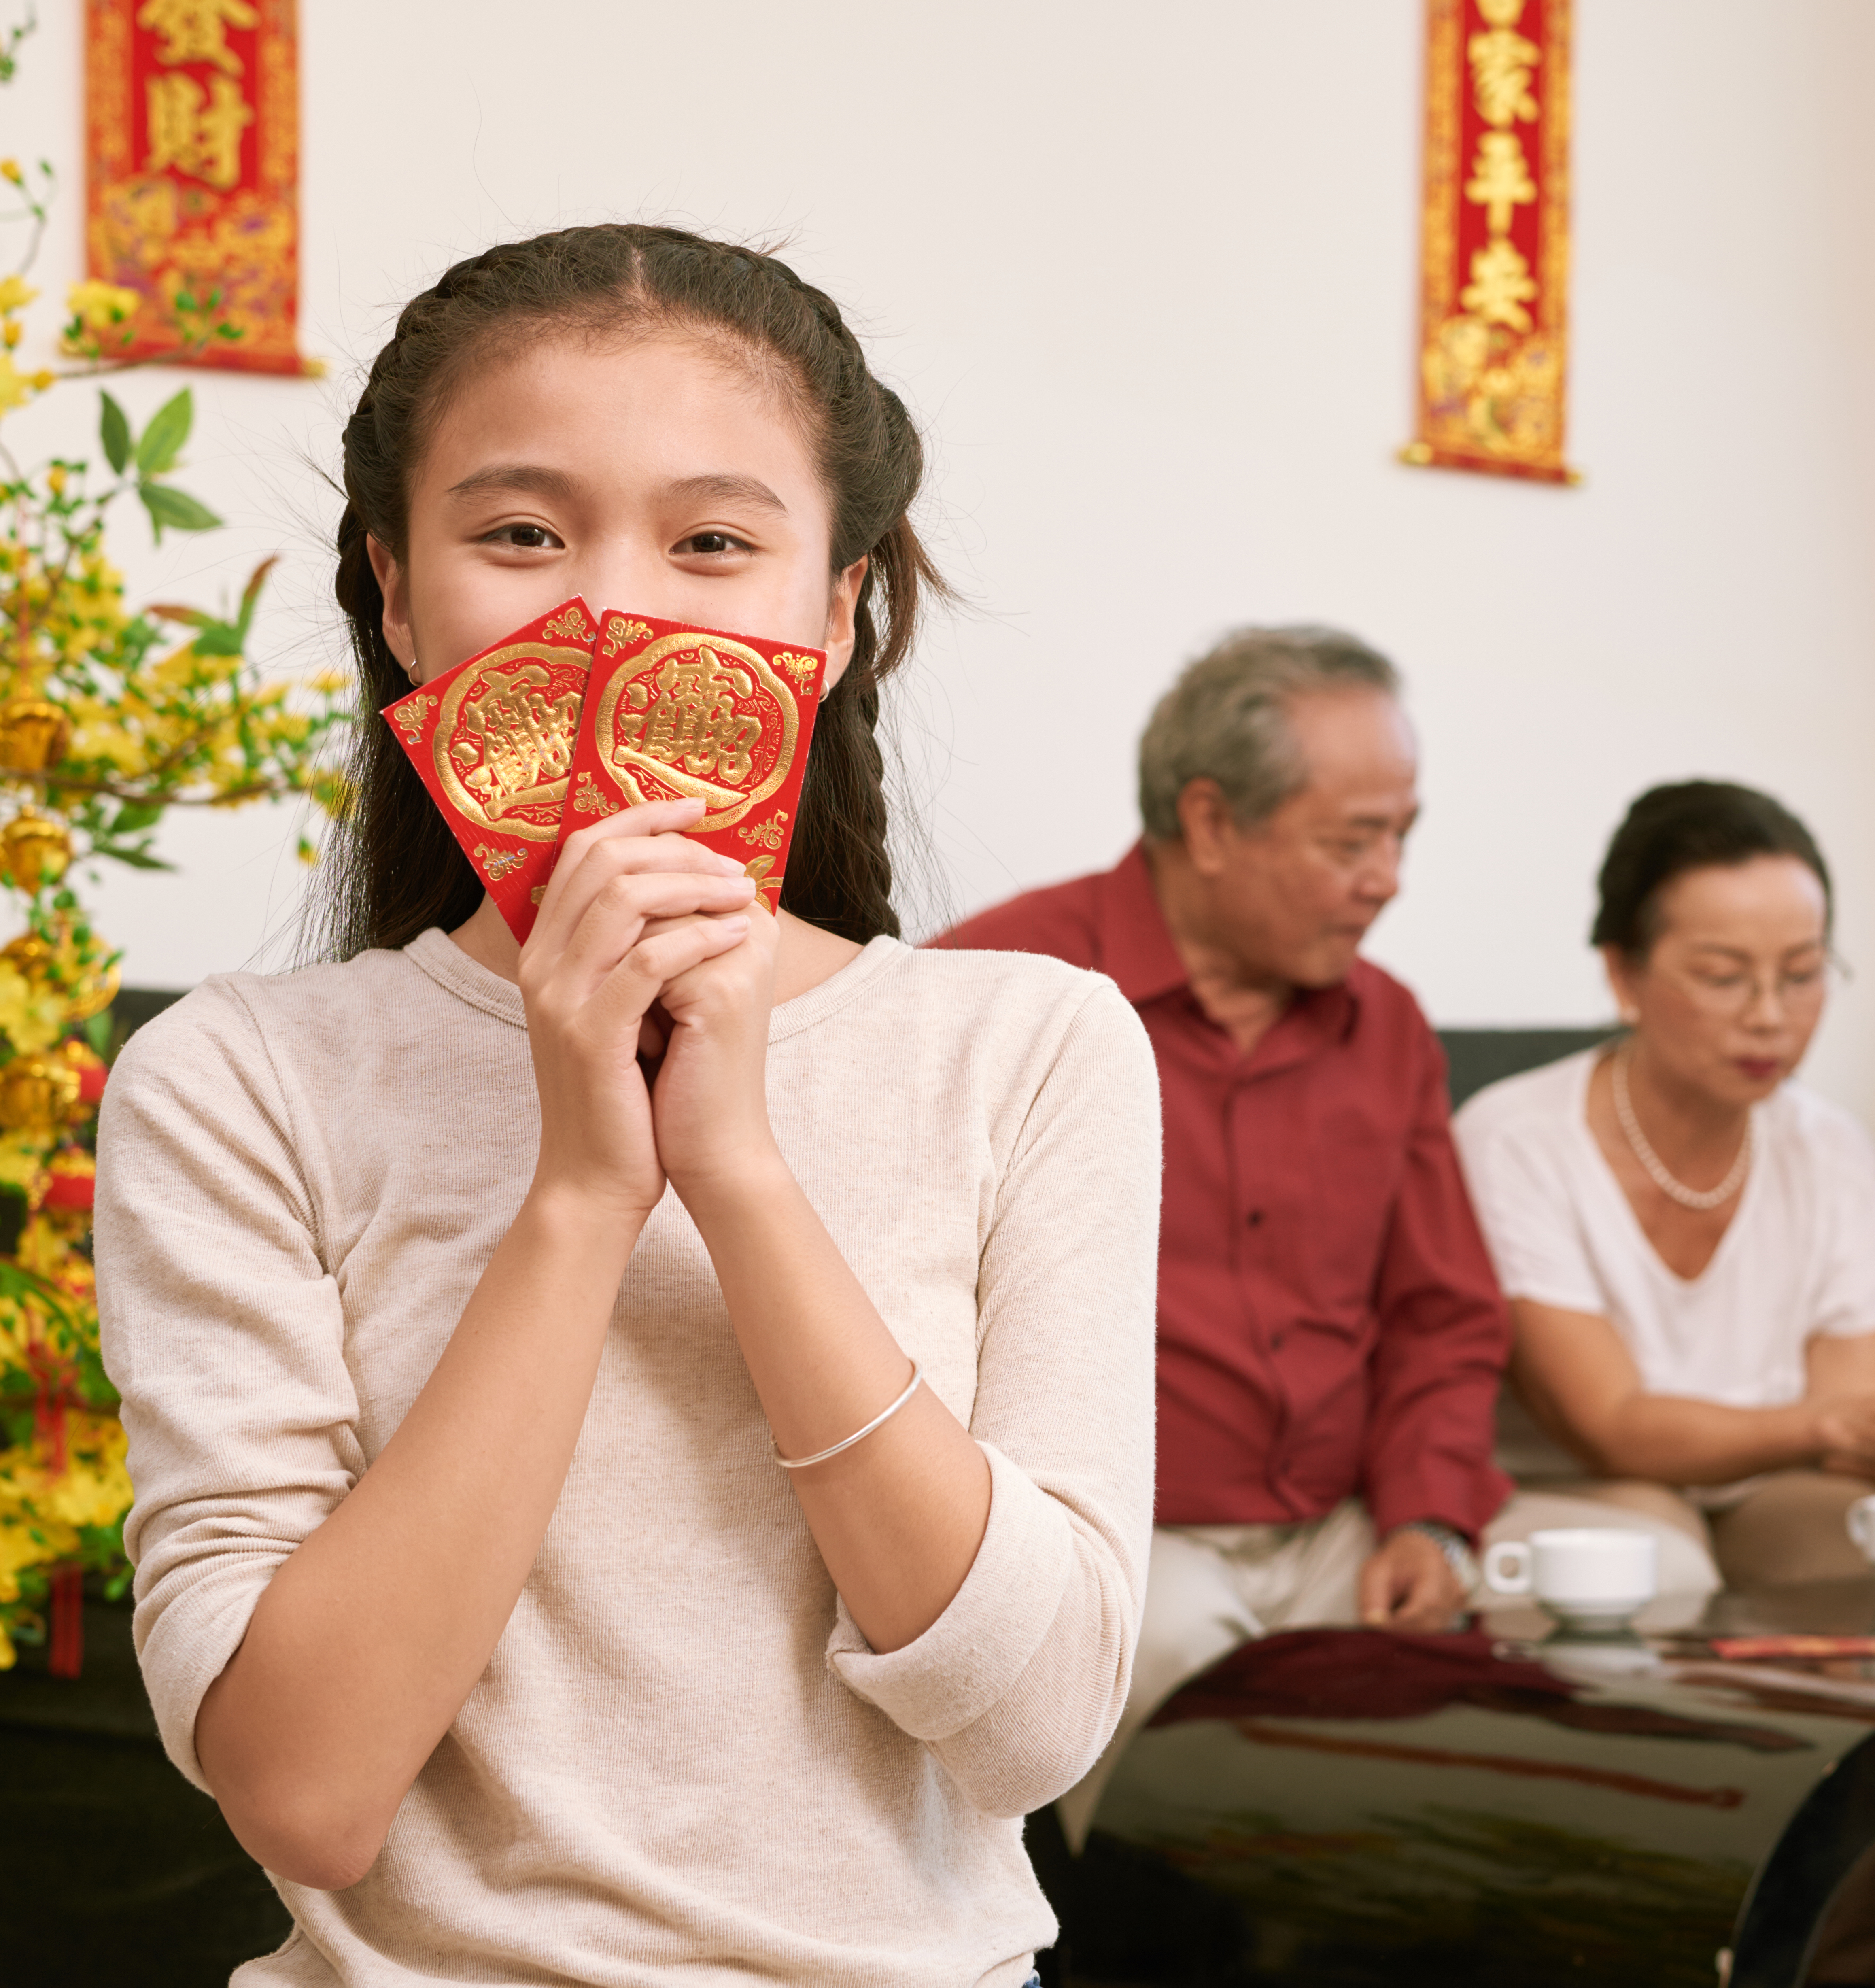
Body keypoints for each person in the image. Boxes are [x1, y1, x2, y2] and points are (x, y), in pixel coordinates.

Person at [96, 226, 1159, 1986]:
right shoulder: (235, 1080)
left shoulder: (1031, 1045)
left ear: (833, 615)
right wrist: (584, 1194)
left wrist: (733, 1169)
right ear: (392, 589)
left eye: (714, 542)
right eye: (519, 531)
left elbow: (1033, 1731)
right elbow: (303, 1789)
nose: (613, 614)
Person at [936, 627, 1508, 1842]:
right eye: (1353, 841)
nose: (1390, 877)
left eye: (1404, 835)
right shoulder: (1002, 987)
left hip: (1342, 1521)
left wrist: (1428, 1518)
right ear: (1209, 821)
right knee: (1180, 1663)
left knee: (1583, 1623)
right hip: (1126, 1535)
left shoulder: (1389, 1026)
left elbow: (1443, 1314)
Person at [1454, 782, 1875, 1597]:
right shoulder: (1513, 1141)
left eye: (1801, 973)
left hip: (1769, 1480)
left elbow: (1861, 1413)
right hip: (1573, 1486)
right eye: (1722, 976)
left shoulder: (1830, 1152)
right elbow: (1608, 1425)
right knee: (1656, 1569)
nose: (1770, 1015)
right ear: (1622, 973)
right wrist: (1835, 1422)